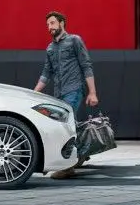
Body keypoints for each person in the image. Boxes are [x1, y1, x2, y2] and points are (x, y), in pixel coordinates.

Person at [33, 11, 98, 179]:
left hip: (74, 89)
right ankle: (81, 153)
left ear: (62, 23)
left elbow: (86, 65)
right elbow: (46, 73)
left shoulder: (74, 40)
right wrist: (34, 93)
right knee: (70, 124)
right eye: (48, 25)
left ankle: (69, 166)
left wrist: (92, 92)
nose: (50, 27)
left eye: (53, 23)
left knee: (65, 126)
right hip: (59, 94)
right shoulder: (50, 48)